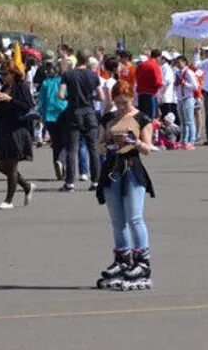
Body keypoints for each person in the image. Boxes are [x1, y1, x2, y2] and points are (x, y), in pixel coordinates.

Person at [94, 81, 155, 291]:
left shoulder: (142, 118)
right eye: (117, 103)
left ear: (132, 98)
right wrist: (109, 144)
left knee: (135, 217)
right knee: (117, 220)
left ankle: (142, 262)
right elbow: (99, 147)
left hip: (132, 168)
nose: (121, 107)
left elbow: (148, 148)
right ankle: (122, 258)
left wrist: (134, 141)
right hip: (112, 168)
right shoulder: (108, 118)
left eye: (125, 103)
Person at [0, 60, 37, 210]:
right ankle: (27, 186)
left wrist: (10, 99)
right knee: (2, 165)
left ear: (13, 74)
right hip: (5, 128)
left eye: (5, 74)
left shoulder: (21, 87)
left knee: (11, 165)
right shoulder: (4, 87)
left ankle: (8, 200)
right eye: (1, 74)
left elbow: (28, 106)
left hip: (18, 129)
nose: (3, 77)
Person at [58, 50, 103, 192]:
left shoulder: (68, 75)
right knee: (93, 148)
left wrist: (68, 98)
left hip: (74, 112)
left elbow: (60, 94)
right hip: (89, 112)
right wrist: (90, 98)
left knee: (72, 149)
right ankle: (95, 181)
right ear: (88, 60)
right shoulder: (93, 75)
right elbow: (101, 96)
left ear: (76, 59)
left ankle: (70, 182)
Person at [37, 61, 67, 180]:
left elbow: (41, 102)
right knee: (65, 142)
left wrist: (42, 117)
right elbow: (67, 96)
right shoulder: (63, 81)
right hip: (63, 113)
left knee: (56, 143)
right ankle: (61, 161)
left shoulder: (45, 83)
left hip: (49, 115)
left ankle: (58, 165)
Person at [174, 55, 198, 150]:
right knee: (182, 121)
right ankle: (184, 140)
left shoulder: (188, 72)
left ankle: (191, 140)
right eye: (177, 62)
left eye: (179, 62)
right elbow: (176, 86)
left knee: (189, 120)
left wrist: (185, 83)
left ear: (184, 62)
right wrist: (176, 85)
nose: (178, 64)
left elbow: (195, 86)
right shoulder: (177, 73)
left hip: (188, 98)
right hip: (180, 98)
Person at [134, 49, 164, 119]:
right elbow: (158, 82)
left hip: (141, 94)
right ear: (158, 57)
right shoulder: (155, 66)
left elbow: (136, 77)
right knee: (151, 118)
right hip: (150, 94)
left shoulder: (141, 65)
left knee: (143, 118)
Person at [157, 51, 178, 122]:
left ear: (164, 59)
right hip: (161, 96)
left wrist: (162, 95)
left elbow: (166, 83)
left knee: (166, 118)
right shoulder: (161, 67)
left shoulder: (167, 69)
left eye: (160, 57)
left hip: (165, 97)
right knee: (162, 117)